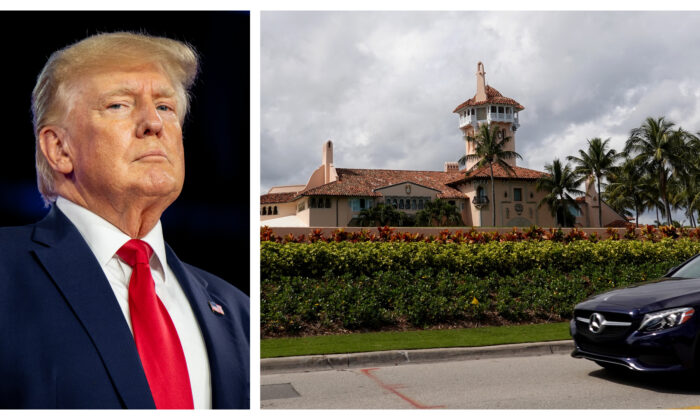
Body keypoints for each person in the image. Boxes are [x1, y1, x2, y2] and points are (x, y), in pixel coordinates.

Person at [0, 32, 249, 409]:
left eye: (165, 107)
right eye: (119, 105)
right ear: (59, 148)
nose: (153, 123)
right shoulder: (6, 271)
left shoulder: (235, 308)